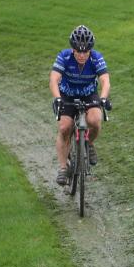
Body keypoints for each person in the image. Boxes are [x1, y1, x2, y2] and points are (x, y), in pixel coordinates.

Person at [49, 25, 111, 185]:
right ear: (72, 49)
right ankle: (63, 168)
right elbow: (54, 78)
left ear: (90, 50)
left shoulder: (96, 58)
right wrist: (57, 98)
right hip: (67, 94)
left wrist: (103, 98)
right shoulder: (64, 56)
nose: (82, 55)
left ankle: (88, 143)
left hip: (89, 94)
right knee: (64, 128)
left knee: (95, 121)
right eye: (78, 51)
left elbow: (105, 80)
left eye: (85, 51)